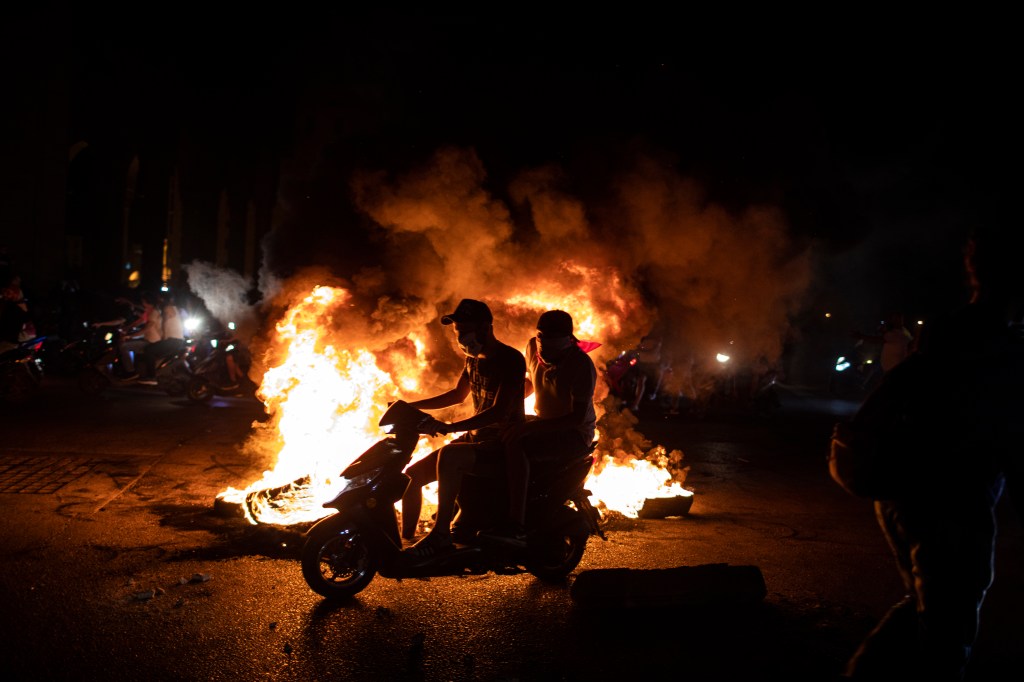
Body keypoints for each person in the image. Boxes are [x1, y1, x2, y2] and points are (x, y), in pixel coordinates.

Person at [842, 225, 1024, 680]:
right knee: (949, 626)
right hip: (949, 501)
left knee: (929, 608)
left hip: (908, 493)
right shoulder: (998, 346)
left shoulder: (949, 332)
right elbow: (1004, 432)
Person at [401, 298, 526, 558]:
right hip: (476, 440)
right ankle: (406, 544)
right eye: (457, 329)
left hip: (501, 445)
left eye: (465, 329)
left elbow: (499, 411)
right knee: (411, 476)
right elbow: (457, 395)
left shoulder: (510, 360)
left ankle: (441, 536)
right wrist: (409, 407)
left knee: (449, 456)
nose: (460, 336)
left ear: (485, 327)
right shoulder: (473, 359)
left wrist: (451, 428)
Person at [480, 310, 597, 548]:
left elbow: (576, 417)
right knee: (493, 434)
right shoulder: (532, 347)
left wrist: (528, 429)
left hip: (573, 434)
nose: (545, 342)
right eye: (541, 335)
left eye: (553, 337)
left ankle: (516, 523)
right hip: (543, 422)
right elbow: (532, 382)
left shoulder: (581, 365)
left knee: (517, 445)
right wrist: (502, 407)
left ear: (568, 339)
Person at [117, 291, 162, 379]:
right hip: (146, 340)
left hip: (151, 342)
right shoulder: (149, 311)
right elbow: (139, 321)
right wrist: (127, 328)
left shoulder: (154, 313)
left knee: (123, 346)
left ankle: (131, 372)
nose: (142, 303)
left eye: (143, 301)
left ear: (147, 302)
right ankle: (135, 371)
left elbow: (146, 329)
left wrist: (130, 336)